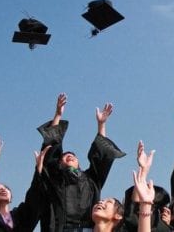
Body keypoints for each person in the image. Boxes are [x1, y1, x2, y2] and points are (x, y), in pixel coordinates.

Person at [35, 93, 126, 232]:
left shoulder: (91, 180)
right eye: (65, 157)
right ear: (59, 163)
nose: (69, 156)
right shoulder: (55, 178)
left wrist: (101, 124)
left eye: (73, 156)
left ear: (79, 163)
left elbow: (100, 157)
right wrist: (58, 116)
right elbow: (50, 152)